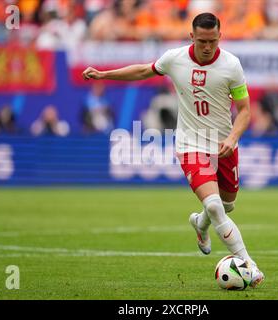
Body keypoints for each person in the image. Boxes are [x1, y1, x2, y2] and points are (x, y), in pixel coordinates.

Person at [82, 12, 264, 288]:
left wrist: (233, 137)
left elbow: (245, 111)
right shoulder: (174, 58)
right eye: (202, 41)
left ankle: (200, 224)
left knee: (227, 204)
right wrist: (104, 74)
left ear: (220, 37)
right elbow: (143, 70)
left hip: (223, 145)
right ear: (192, 36)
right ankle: (249, 265)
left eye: (212, 41)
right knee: (215, 205)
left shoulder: (232, 65)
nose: (207, 47)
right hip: (191, 144)